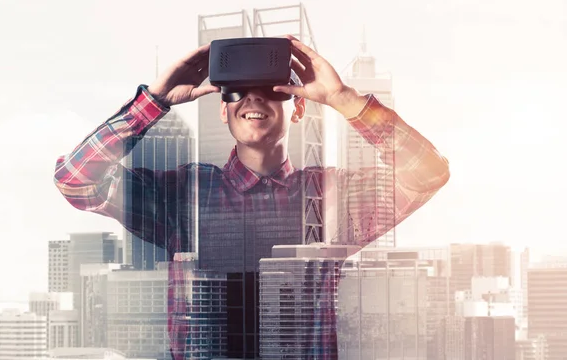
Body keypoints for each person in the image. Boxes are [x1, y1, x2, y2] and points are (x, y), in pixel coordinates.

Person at [54, 35, 450, 359]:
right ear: (223, 112)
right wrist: (152, 103)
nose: (253, 99)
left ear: (297, 111)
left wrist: (345, 99)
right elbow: (75, 180)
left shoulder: (334, 197)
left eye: (270, 90)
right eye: (236, 91)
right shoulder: (183, 195)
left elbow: (428, 174)